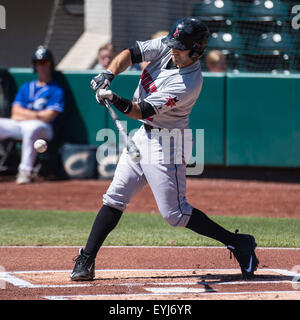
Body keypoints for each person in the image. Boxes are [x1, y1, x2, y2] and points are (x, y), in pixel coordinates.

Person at [71, 17, 259, 281]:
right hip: (143, 137)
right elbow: (131, 53)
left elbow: (142, 111)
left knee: (175, 213)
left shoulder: (188, 83)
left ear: (196, 51)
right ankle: (86, 259)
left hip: (168, 143)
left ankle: (239, 243)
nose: (172, 50)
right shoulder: (168, 45)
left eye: (180, 48)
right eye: (173, 45)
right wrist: (108, 75)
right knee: (115, 197)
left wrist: (114, 98)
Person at [0, 46, 65, 184]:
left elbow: (49, 116)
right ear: (34, 66)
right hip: (21, 125)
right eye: (38, 63)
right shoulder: (26, 87)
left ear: (51, 65)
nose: (41, 66)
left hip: (44, 128)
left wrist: (27, 114)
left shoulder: (56, 89)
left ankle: (25, 172)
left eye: (45, 62)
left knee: (32, 128)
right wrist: (37, 114)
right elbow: (14, 113)